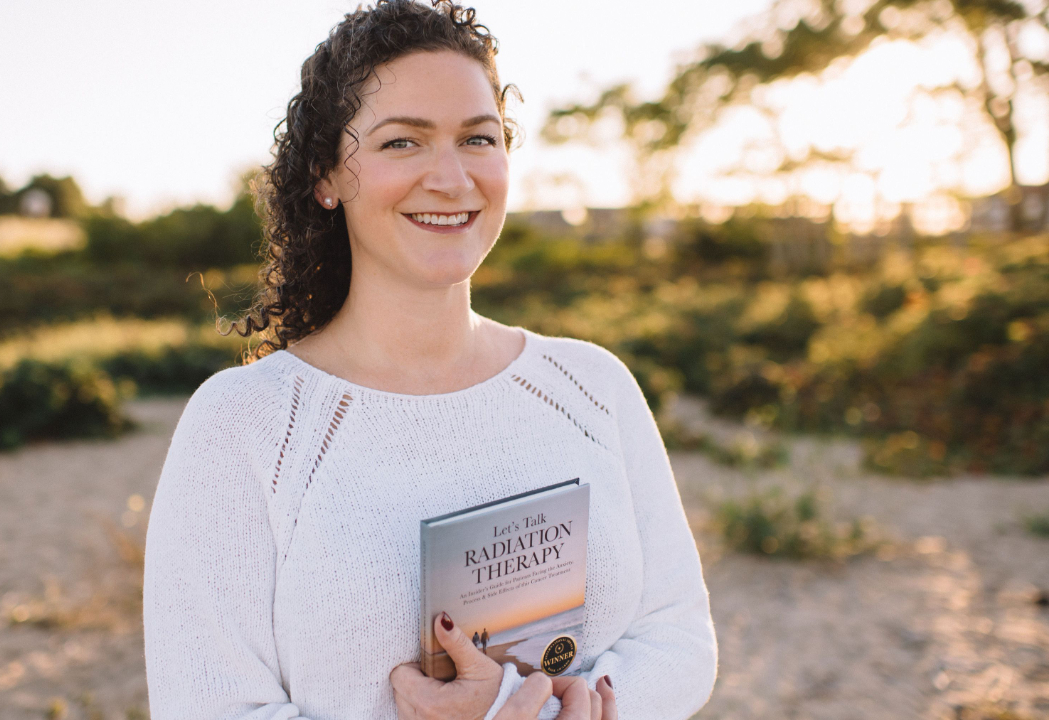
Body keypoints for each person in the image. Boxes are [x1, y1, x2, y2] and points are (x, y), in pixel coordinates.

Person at [141, 1, 718, 718]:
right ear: (326, 176)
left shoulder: (593, 385)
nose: (451, 178)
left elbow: (677, 636)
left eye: (478, 138)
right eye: (402, 143)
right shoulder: (245, 426)